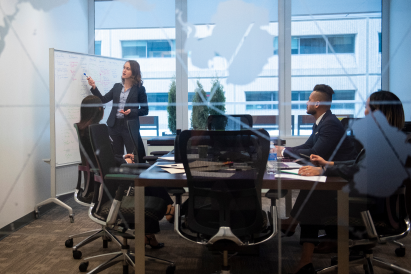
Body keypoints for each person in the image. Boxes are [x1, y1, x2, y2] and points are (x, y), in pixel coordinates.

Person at [292, 90, 405, 274]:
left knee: (315, 194)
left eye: (369, 107)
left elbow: (361, 170)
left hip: (373, 209)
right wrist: (329, 163)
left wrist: (324, 169)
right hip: (379, 201)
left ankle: (304, 259)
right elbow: (359, 164)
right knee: (315, 190)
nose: (365, 112)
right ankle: (303, 243)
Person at [78, 95, 174, 248]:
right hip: (108, 183)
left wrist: (123, 157)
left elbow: (103, 157)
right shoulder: (97, 131)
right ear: (98, 110)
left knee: (146, 177)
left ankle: (151, 230)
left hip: (100, 180)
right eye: (102, 108)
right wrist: (124, 162)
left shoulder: (86, 130)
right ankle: (162, 215)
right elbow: (104, 162)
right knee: (145, 182)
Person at [278, 85, 356, 236]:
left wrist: (284, 152)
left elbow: (315, 152)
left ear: (317, 104)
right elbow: (308, 145)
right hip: (331, 170)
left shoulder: (330, 123)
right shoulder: (322, 121)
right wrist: (283, 151)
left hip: (343, 174)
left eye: (309, 100)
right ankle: (292, 224)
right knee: (309, 181)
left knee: (311, 186)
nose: (306, 103)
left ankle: (292, 224)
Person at [87, 60, 148, 163]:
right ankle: (118, 178)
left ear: (134, 72)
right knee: (116, 157)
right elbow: (102, 100)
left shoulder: (140, 89)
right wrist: (94, 87)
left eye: (127, 69)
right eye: (124, 67)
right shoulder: (117, 87)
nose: (124, 70)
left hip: (129, 127)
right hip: (114, 125)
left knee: (132, 157)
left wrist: (131, 112)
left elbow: (145, 110)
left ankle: (133, 178)